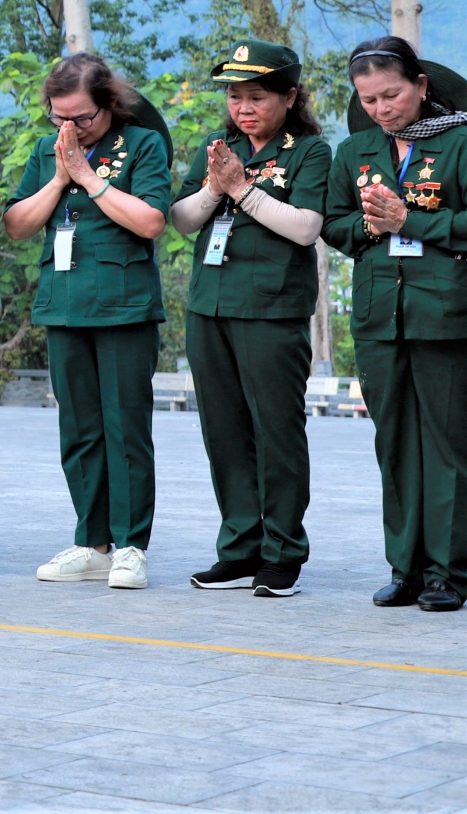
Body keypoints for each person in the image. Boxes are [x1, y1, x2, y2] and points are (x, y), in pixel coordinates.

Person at [4, 53, 172, 591]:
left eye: (83, 118)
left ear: (109, 104)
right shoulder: (45, 150)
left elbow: (150, 221)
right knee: (78, 429)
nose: (71, 128)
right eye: (60, 118)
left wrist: (88, 177)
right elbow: (17, 224)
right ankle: (91, 541)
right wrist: (58, 178)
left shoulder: (141, 144)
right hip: (65, 302)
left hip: (123, 306)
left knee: (125, 428)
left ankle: (130, 546)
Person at [172, 41, 332, 599]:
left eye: (257, 96)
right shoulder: (221, 148)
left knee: (276, 433)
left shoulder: (309, 152)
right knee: (224, 432)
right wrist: (215, 187)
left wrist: (240, 189)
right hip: (209, 306)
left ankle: (282, 551)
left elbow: (306, 227)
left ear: (289, 97)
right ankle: (239, 549)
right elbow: (182, 219)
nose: (243, 107)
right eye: (236, 96)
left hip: (271, 310)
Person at [324, 36, 467, 613]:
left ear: (421, 86)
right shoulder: (356, 151)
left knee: (449, 444)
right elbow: (336, 226)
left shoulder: (461, 142)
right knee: (394, 443)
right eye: (369, 99)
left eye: (392, 94)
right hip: (379, 316)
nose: (382, 109)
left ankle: (448, 573)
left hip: (446, 313)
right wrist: (372, 227)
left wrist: (412, 220)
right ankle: (404, 567)